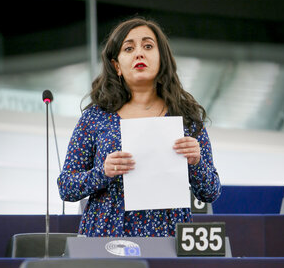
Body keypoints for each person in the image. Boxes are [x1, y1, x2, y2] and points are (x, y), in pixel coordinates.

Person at [58, 17, 221, 236]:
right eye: (128, 48)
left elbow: (210, 192)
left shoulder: (186, 118)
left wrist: (196, 161)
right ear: (116, 65)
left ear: (162, 58)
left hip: (169, 237)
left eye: (148, 46)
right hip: (107, 236)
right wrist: (102, 172)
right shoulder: (95, 118)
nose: (139, 53)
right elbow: (66, 187)